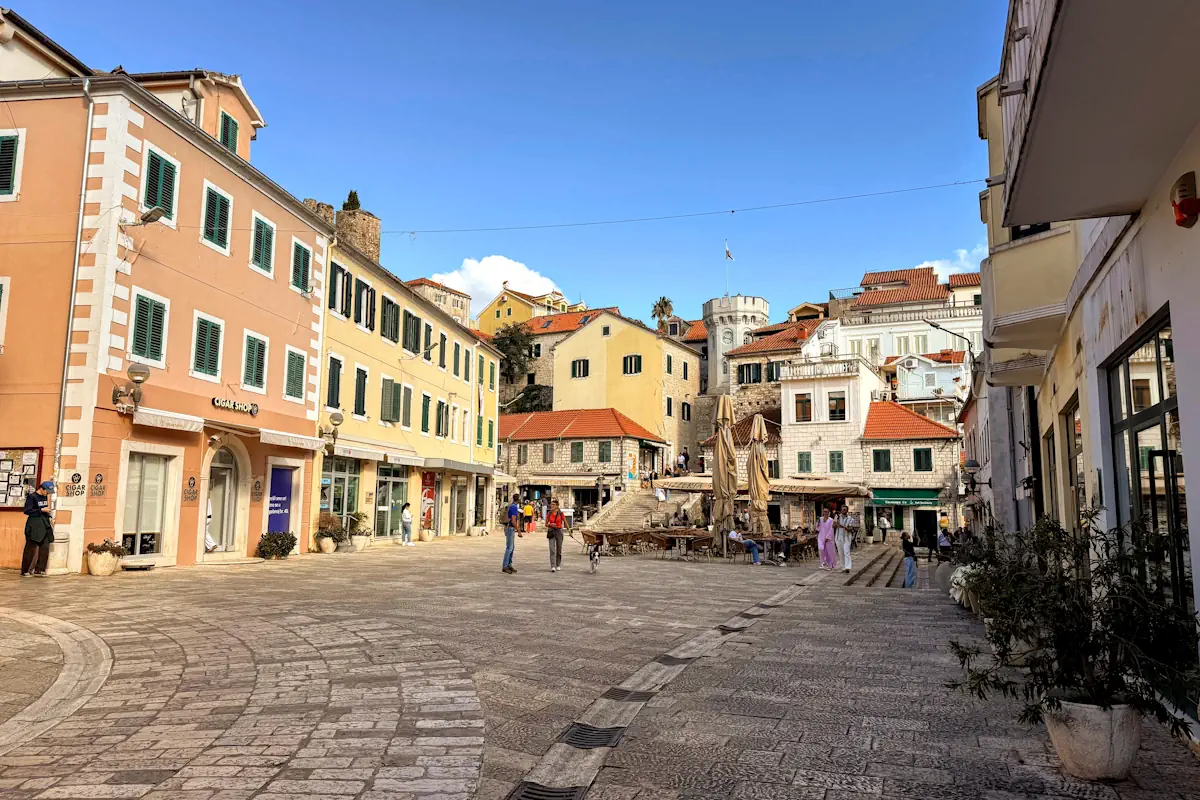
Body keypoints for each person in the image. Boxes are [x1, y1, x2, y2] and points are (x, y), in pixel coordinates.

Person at [22, 481, 55, 577]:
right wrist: (40, 510)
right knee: (30, 548)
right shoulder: (32, 497)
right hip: (34, 524)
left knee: (45, 547)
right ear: (42, 488)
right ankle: (25, 570)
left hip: (44, 524)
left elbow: (45, 509)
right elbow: (27, 510)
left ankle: (40, 569)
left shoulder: (44, 497)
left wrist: (49, 517)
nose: (47, 493)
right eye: (47, 491)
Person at [545, 499, 566, 572]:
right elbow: (546, 524)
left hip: (559, 531)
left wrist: (570, 531)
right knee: (552, 549)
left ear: (557, 506)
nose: (552, 506)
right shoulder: (549, 514)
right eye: (551, 504)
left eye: (553, 504)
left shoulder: (560, 513)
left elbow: (565, 522)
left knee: (559, 549)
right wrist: (550, 524)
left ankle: (558, 565)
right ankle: (553, 566)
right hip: (551, 531)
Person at [835, 504, 856, 574]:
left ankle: (848, 567)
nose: (842, 511)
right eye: (842, 509)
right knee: (841, 553)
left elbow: (851, 529)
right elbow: (833, 526)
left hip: (847, 538)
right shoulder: (837, 517)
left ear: (847, 511)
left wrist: (843, 527)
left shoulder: (851, 519)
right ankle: (843, 567)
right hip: (838, 538)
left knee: (846, 552)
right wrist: (836, 522)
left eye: (844, 509)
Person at [503, 494, 521, 574]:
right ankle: (505, 566)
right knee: (509, 548)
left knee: (512, 547)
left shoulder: (512, 506)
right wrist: (519, 531)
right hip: (510, 528)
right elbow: (513, 520)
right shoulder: (514, 507)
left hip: (509, 528)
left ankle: (509, 564)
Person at [816, 507, 836, 571]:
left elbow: (831, 529)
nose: (825, 513)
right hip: (821, 537)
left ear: (829, 512)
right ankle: (823, 563)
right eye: (824, 511)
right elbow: (818, 529)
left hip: (828, 538)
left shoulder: (831, 520)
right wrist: (817, 524)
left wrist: (828, 537)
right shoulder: (820, 519)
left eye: (826, 511)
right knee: (821, 549)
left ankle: (830, 565)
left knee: (829, 552)